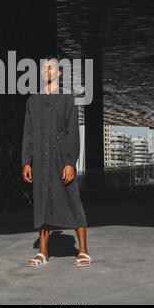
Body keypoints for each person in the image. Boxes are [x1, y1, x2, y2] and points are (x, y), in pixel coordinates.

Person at [21, 56, 92, 267]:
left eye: (50, 67)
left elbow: (72, 133)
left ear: (59, 73)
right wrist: (26, 161)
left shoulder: (67, 99)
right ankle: (43, 253)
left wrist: (71, 162)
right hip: (40, 160)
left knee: (72, 200)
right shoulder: (32, 102)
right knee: (42, 204)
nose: (46, 70)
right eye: (43, 67)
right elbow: (29, 133)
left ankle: (84, 250)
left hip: (61, 159)